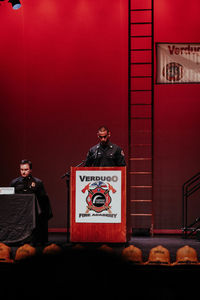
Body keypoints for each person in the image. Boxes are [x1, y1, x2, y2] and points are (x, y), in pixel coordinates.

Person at [10, 159, 53, 244]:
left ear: (30, 170)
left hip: (34, 214)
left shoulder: (38, 183)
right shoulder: (14, 183)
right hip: (19, 213)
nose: (23, 172)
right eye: (22, 170)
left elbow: (43, 200)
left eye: (26, 170)